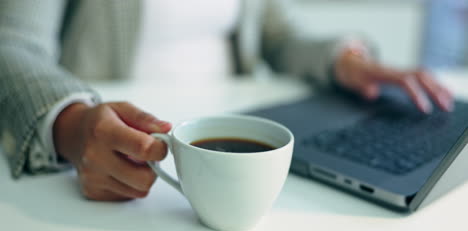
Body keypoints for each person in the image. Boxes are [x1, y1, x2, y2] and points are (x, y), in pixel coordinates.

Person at [0, 0, 453, 201]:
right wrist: (72, 124)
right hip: (119, 144)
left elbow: (280, 34)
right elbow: (13, 43)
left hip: (239, 126)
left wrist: (346, 61)